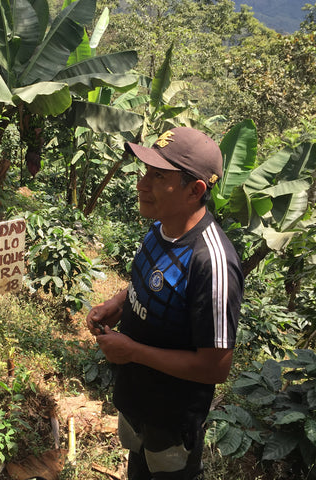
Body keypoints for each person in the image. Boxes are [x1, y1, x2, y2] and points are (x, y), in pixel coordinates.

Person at [86, 127, 244, 480]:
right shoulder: (159, 228)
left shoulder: (212, 264)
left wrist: (133, 352)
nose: (142, 184)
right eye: (146, 172)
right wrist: (117, 302)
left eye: (158, 176)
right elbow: (149, 282)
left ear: (195, 190)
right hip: (136, 399)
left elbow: (215, 368)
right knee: (139, 467)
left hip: (172, 418)